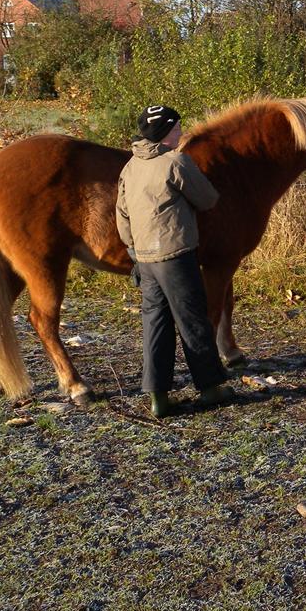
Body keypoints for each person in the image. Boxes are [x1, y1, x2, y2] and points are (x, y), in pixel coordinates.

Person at [116, 105, 234, 418]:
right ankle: (211, 388)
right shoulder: (176, 162)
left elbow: (122, 216)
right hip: (176, 255)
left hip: (145, 258)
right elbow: (207, 199)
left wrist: (133, 250)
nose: (181, 132)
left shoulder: (130, 167)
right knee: (193, 320)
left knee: (155, 324)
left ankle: (158, 397)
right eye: (177, 127)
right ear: (166, 132)